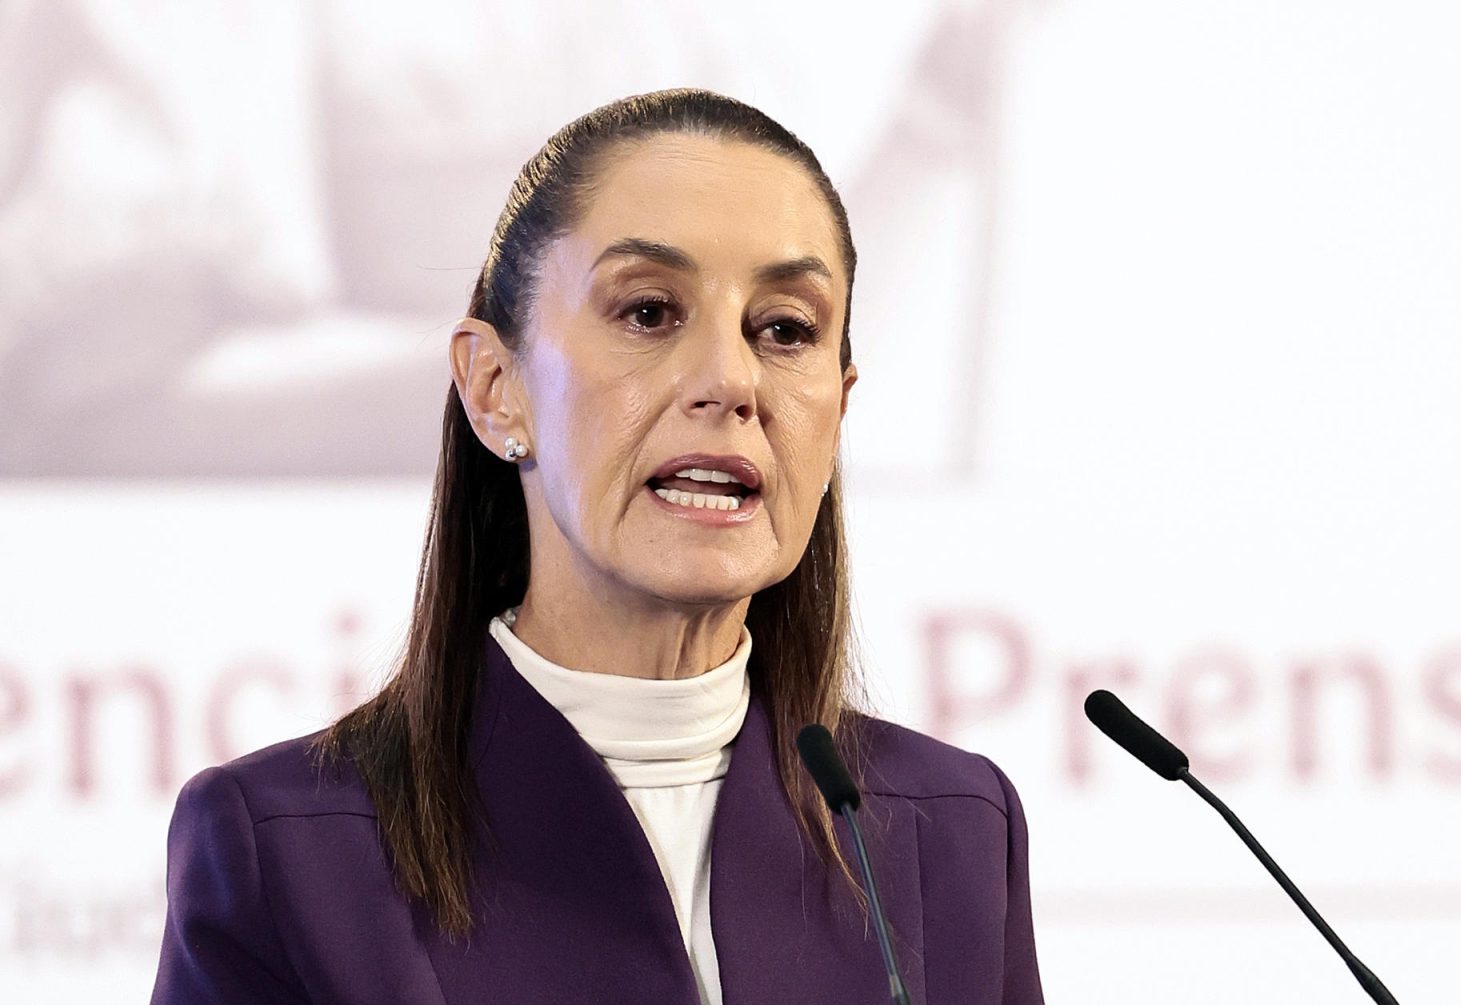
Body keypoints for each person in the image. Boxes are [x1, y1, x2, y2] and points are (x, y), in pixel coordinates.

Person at [150, 88, 1047, 1004]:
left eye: (785, 329)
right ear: (497, 387)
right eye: (651, 312)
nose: (730, 380)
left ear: (838, 408)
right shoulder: (288, 853)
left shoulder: (954, 833)